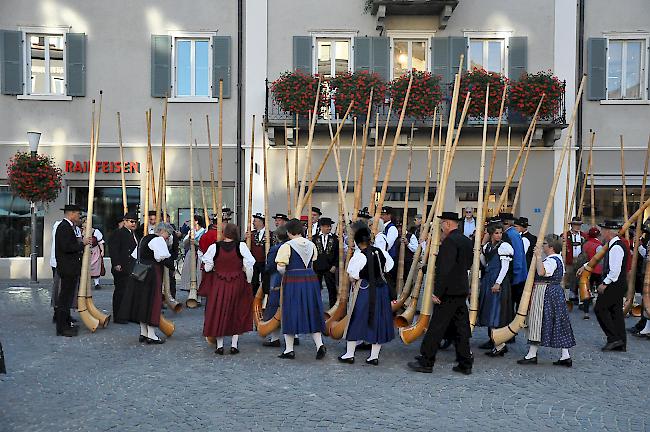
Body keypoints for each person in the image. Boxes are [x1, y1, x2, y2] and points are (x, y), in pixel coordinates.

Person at [407, 212, 473, 375]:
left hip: (448, 291)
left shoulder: (450, 241)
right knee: (461, 328)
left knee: (436, 327)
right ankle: (465, 362)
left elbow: (445, 269)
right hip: (461, 289)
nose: (441, 228)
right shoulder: (465, 240)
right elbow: (469, 264)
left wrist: (437, 292)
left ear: (448, 224)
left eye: (442, 224)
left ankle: (426, 361)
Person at [338, 226, 394, 365]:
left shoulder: (359, 255)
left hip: (365, 289)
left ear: (357, 243)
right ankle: (374, 357)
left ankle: (349, 354)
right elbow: (389, 267)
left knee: (356, 318)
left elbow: (353, 275)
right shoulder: (381, 252)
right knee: (378, 320)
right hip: (381, 290)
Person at [518, 234, 575, 366]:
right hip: (553, 292)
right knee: (558, 322)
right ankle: (565, 356)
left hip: (546, 293)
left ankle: (532, 354)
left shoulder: (552, 260)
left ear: (550, 247)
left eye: (544, 244)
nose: (542, 246)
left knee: (538, 321)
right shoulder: (558, 258)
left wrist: (538, 256)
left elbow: (542, 272)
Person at [199, 223, 255, 354]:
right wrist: (249, 281)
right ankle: (234, 345)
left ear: (224, 233)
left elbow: (207, 267)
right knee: (236, 311)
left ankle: (220, 346)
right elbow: (250, 264)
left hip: (219, 283)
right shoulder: (241, 246)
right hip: (237, 282)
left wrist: (215, 267)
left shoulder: (215, 247)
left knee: (219, 312)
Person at [275, 218, 327, 360]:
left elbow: (280, 267)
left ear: (288, 231)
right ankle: (319, 345)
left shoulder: (286, 246)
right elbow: (314, 260)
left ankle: (289, 349)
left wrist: (285, 274)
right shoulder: (311, 244)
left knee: (290, 311)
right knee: (312, 311)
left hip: (293, 279)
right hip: (310, 279)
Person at [117, 222, 175, 344]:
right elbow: (162, 257)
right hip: (152, 274)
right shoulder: (158, 240)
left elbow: (134, 255)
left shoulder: (144, 238)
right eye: (167, 234)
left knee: (142, 302)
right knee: (153, 302)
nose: (168, 237)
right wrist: (172, 266)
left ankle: (143, 333)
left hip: (139, 273)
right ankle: (151, 335)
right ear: (162, 231)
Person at [579, 220, 629, 352]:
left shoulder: (616, 247)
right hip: (617, 283)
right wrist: (584, 266)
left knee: (600, 309)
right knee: (616, 312)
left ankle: (613, 339)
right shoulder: (612, 245)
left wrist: (605, 283)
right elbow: (599, 259)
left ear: (608, 232)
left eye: (603, 230)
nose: (601, 232)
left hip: (614, 283)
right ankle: (620, 341)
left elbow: (614, 270)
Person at [54, 204, 92, 337]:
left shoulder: (67, 227)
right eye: (77, 214)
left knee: (67, 297)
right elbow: (67, 247)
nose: (79, 216)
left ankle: (65, 323)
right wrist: (82, 243)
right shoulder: (64, 227)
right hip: (67, 268)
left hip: (70, 268)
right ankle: (62, 327)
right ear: (71, 214)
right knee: (64, 298)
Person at [477, 221, 514, 356]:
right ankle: (493, 340)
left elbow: (505, 267)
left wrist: (498, 283)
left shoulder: (504, 246)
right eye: (496, 233)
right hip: (488, 279)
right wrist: (480, 251)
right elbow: (484, 262)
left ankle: (500, 344)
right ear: (491, 234)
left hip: (499, 281)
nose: (499, 235)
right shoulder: (487, 246)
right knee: (489, 310)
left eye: (500, 233)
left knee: (496, 312)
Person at [109, 211, 139, 323]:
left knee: (129, 292)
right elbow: (114, 250)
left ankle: (128, 314)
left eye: (135, 222)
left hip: (131, 266)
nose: (133, 224)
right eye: (131, 221)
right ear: (125, 221)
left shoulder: (133, 233)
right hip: (121, 267)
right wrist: (116, 264)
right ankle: (119, 316)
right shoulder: (118, 233)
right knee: (120, 292)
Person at [262, 226, 289, 347]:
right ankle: (294, 337)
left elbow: (270, 266)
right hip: (292, 278)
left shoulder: (275, 248)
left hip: (277, 278)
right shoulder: (293, 247)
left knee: (275, 306)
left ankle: (275, 338)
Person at [500, 212, 527, 327]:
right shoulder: (512, 233)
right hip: (517, 275)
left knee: (510, 306)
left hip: (516, 276)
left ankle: (509, 332)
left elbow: (518, 256)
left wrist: (514, 275)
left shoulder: (512, 235)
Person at [312, 217, 339, 308]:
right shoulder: (314, 238)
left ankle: (332, 308)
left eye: (330, 226)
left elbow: (337, 253)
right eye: (327, 226)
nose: (329, 228)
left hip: (330, 267)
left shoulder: (335, 238)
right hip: (317, 267)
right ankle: (317, 307)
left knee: (332, 289)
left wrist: (335, 265)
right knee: (316, 288)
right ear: (321, 227)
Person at [580, 226, 603, 320]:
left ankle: (586, 312)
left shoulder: (585, 244)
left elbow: (583, 257)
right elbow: (600, 260)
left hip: (586, 270)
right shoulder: (599, 246)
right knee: (600, 290)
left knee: (586, 290)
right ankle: (600, 309)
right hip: (597, 270)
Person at [179, 215, 206, 292]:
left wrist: (197, 243)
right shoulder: (191, 231)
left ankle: (199, 294)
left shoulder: (204, 231)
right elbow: (185, 243)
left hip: (200, 255)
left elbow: (206, 245)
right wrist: (189, 238)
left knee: (199, 274)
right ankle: (190, 292)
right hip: (191, 254)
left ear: (196, 221)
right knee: (189, 274)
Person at [564, 216, 586, 303]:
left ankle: (580, 298)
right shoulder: (565, 235)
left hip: (580, 261)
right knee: (568, 277)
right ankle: (567, 298)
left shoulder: (584, 236)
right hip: (569, 260)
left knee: (580, 278)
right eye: (576, 225)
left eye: (579, 225)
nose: (578, 227)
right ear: (571, 225)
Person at [380, 207, 399, 299]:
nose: (381, 216)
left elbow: (387, 245)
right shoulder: (382, 227)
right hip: (382, 258)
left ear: (389, 216)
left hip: (389, 259)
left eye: (384, 214)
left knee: (389, 282)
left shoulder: (392, 228)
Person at [81, 217, 105, 290]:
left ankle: (96, 283)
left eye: (88, 222)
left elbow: (100, 242)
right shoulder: (80, 231)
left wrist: (102, 251)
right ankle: (84, 283)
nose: (86, 224)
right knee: (85, 267)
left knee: (95, 267)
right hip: (84, 252)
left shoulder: (95, 231)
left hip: (94, 252)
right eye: (85, 222)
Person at [249, 213, 268, 296]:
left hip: (265, 262)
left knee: (265, 281)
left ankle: (263, 299)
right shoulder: (251, 234)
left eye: (255, 221)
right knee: (254, 282)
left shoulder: (269, 234)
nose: (253, 223)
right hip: (254, 262)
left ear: (261, 222)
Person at [49, 219, 62, 323]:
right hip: (58, 263)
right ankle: (57, 313)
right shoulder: (60, 226)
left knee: (65, 290)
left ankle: (63, 313)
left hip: (60, 263)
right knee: (58, 289)